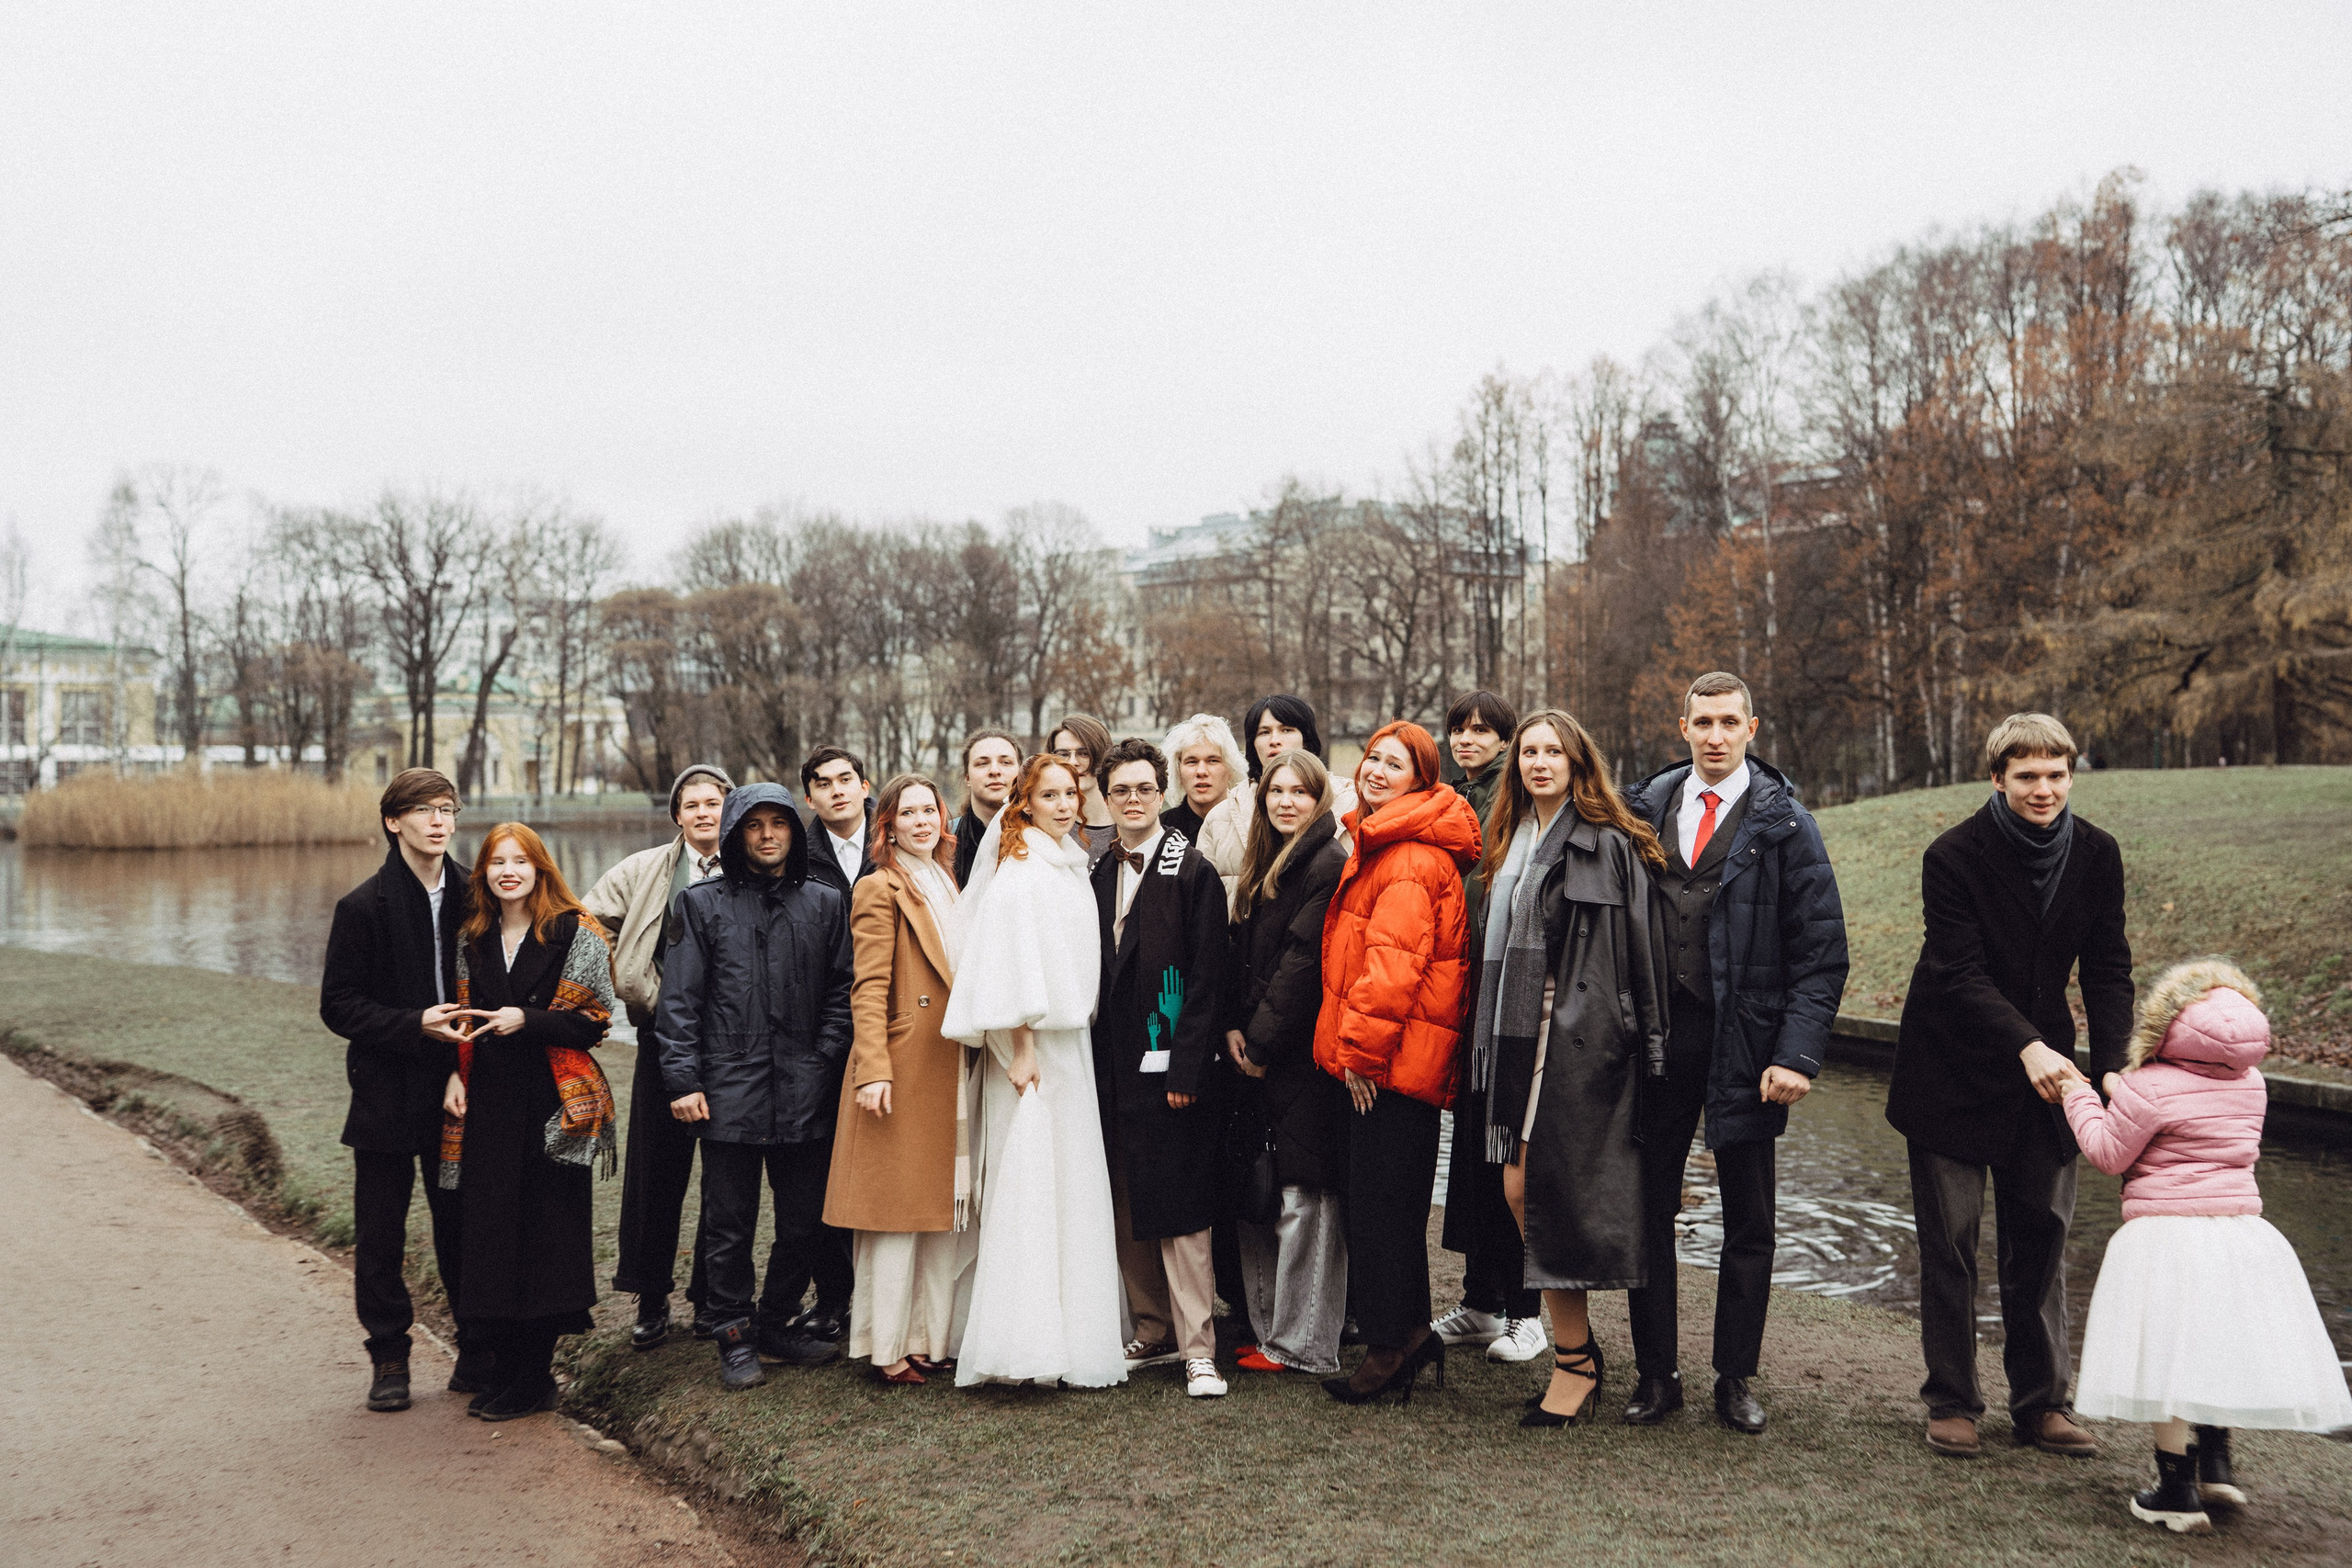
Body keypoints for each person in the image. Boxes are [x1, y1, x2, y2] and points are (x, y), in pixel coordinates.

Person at [1885, 713, 2133, 1460]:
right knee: (1951, 1244)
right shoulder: (1952, 855)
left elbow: (2109, 968)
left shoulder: (2097, 852)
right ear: (1998, 779)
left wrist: (2113, 1063)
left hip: (2048, 1077)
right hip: (1950, 1067)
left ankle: (2042, 1402)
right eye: (2027, 775)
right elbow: (1957, 972)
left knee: (2043, 1237)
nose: (2044, 788)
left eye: (2056, 774)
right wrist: (2029, 1045)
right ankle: (1953, 1399)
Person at [1621, 673, 1849, 1433]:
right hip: (1656, 1042)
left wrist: (1798, 1055)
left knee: (1749, 1217)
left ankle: (1735, 1376)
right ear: (1682, 726)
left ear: (1752, 727)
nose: (1715, 735)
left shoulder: (1787, 824)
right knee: (1647, 1208)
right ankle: (1656, 1374)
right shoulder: (1642, 811)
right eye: (1703, 722)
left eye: (1729, 722)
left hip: (1747, 1045)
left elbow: (1821, 955)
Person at [2063, 960, 2352, 1534]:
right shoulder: (2253, 1084)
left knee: (2167, 1357)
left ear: (2164, 1024)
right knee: (2214, 1344)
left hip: (2165, 1235)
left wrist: (2079, 1096)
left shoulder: (2147, 1087)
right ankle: (2217, 1468)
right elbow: (2186, 1106)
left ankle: (2176, 1492)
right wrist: (2123, 1090)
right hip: (2238, 1233)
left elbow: (2108, 1154)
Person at [1467, 711, 1671, 1428]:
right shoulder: (1514, 835)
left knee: (1532, 1189)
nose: (1539, 761)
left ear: (1578, 761)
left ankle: (1576, 1361)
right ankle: (1577, 1356)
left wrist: (1643, 1046)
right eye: (1529, 751)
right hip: (1519, 1033)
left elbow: (1638, 953)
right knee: (1524, 1189)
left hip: (1576, 1038)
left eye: (1554, 750)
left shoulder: (1606, 842)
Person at [654, 783, 855, 1391]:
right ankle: (733, 1333)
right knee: (729, 1224)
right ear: (736, 833)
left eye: (779, 823)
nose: (768, 835)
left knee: (804, 1222)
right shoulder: (702, 904)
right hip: (728, 1089)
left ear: (794, 831)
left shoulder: (825, 902)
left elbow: (842, 991)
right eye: (754, 824)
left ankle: (774, 1320)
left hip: (804, 1089)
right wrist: (683, 1079)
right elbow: (680, 1001)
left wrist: (822, 1059)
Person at [939, 754, 1128, 1389]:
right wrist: (1021, 1048)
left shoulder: (1065, 861)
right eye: (1049, 795)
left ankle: (1074, 1330)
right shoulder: (1020, 871)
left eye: (1071, 793)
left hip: (1070, 1043)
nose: (1065, 804)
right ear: (1024, 803)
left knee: (1071, 1181)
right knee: (1033, 1183)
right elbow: (1011, 962)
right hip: (1036, 1047)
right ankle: (1025, 1341)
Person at [1315, 721, 1481, 1405]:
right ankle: (1412, 1334)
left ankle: (1388, 1347)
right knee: (1392, 1204)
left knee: (1380, 1209)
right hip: (1396, 1058)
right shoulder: (1387, 840)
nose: (1377, 772)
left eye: (1396, 765)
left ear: (1421, 781)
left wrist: (1359, 1055)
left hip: (1389, 1064)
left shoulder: (1410, 856)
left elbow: (1393, 969)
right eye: (1373, 759)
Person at [435, 824, 617, 1420]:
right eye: (497, 862)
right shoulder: (474, 937)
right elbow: (462, 1020)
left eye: (520, 861)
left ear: (540, 868)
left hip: (551, 1105)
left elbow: (594, 1022)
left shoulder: (575, 930)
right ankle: (508, 1368)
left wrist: (527, 1019)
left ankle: (536, 1377)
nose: (508, 871)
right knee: (492, 1236)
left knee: (546, 1239)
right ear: (483, 873)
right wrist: (455, 1074)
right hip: (488, 1101)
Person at [321, 767, 479, 1414]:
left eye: (448, 809)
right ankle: (389, 1355)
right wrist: (414, 1023)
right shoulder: (362, 906)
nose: (439, 821)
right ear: (394, 822)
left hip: (458, 1089)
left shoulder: (477, 894)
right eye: (424, 809)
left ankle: (476, 1347)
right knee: (381, 1233)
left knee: (462, 1224)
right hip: (386, 1091)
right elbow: (339, 1005)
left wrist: (463, 1065)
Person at [1090, 739, 1235, 1400]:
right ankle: (1153, 1327)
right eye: (1121, 790)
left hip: (1172, 1063)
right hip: (1112, 1065)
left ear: (1161, 791)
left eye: (1145, 788)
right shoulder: (1097, 870)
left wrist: (1187, 1068)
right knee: (1126, 1197)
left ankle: (1199, 1348)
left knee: (1182, 1206)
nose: (1133, 799)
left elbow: (1208, 977)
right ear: (1106, 797)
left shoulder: (1190, 869)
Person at [822, 773, 973, 1384]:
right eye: (906, 813)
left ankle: (930, 1339)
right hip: (903, 1064)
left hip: (951, 1060)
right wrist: (873, 1069)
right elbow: (868, 986)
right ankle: (886, 1346)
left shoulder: (948, 880)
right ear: (886, 825)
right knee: (894, 1212)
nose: (920, 821)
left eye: (928, 810)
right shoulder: (877, 886)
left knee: (939, 1210)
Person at [582, 762, 735, 1350]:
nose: (703, 813)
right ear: (677, 815)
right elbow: (586, 924)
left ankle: (710, 1297)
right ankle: (650, 1299)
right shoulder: (643, 869)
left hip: (732, 1044)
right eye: (692, 804)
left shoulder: (750, 868)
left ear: (730, 808)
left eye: (713, 803)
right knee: (655, 1171)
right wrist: (630, 979)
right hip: (662, 1034)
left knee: (725, 1174)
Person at [1224, 748, 1351, 1377]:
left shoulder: (1326, 862)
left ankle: (1305, 1343)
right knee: (1263, 1190)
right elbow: (1243, 954)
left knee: (1306, 1196)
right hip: (1256, 1046)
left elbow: (1302, 964)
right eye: (1276, 790)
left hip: (1298, 1055)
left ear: (1319, 798)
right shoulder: (1266, 860)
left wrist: (1261, 1044)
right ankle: (1272, 1331)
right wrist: (1233, 1026)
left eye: (1299, 791)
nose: (1286, 801)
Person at [1430, 688, 1546, 1367]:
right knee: (1475, 1157)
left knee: (1512, 1158)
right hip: (1467, 999)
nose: (1467, 739)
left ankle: (1526, 1309)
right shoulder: (1454, 797)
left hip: (1510, 1002)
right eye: (1459, 729)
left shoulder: (1512, 802)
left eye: (1482, 730)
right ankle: (1482, 1300)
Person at [1195, 694, 1356, 892]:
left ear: (1306, 739)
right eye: (1264, 732)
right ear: (1252, 744)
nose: (1274, 740)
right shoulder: (1220, 818)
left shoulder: (1351, 804)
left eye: (1286, 730)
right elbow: (1203, 898)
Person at [1158, 713, 1245, 845]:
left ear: (1231, 769)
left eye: (1212, 761)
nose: (1201, 772)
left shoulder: (1250, 825)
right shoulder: (1161, 831)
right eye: (1192, 762)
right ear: (1178, 771)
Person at [952, 728, 1023, 887]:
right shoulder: (943, 840)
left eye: (1006, 762)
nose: (994, 771)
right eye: (982, 763)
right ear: (967, 777)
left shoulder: (1042, 838)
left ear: (1021, 773)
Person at [802, 746, 876, 897]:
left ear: (864, 788)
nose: (837, 792)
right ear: (810, 800)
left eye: (845, 780)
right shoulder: (798, 859)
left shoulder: (898, 840)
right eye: (824, 784)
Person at [1047, 714, 1119, 866]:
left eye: (1084, 753)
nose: (1073, 762)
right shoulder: (1047, 824)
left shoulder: (1127, 819)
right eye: (1063, 754)